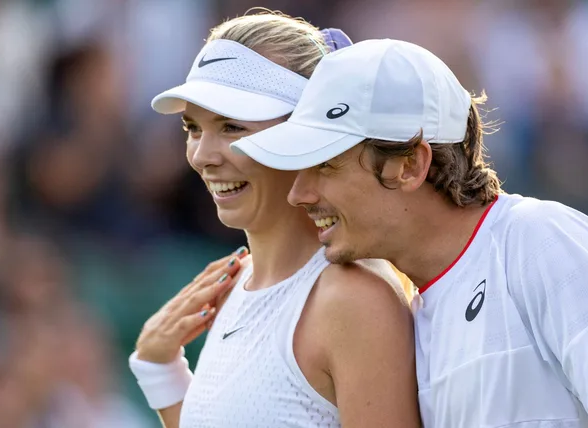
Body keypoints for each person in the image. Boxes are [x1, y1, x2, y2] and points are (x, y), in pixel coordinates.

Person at [231, 39, 588, 428]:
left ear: (410, 165)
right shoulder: (414, 315)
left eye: (325, 166)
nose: (299, 194)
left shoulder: (538, 240)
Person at [128, 13, 420, 428]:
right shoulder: (234, 286)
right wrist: (160, 371)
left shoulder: (354, 300)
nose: (202, 155)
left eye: (231, 126)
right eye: (193, 128)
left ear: (306, 134)